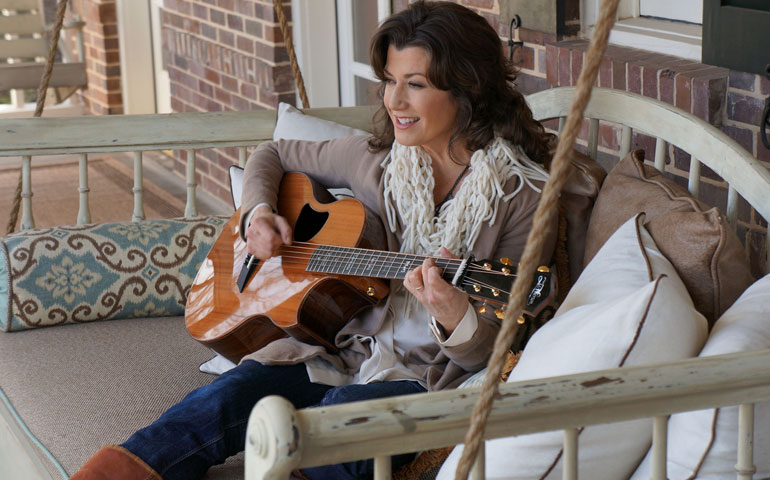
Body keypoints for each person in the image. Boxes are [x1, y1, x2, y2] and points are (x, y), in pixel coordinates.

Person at [70, 2, 557, 479]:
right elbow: (272, 153)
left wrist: (453, 313)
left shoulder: (520, 195)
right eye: (390, 81)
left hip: (425, 379)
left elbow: (494, 350)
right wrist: (258, 213)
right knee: (228, 396)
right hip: (340, 348)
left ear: (467, 90)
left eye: (416, 85)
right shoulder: (377, 161)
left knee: (335, 428)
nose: (394, 102)